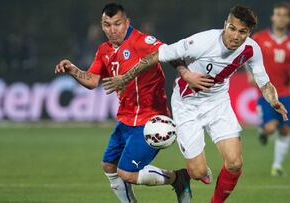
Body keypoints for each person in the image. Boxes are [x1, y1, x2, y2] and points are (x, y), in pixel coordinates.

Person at [102, 5, 288, 203]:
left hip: (218, 103)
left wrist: (273, 100)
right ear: (226, 24)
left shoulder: (252, 49)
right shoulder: (203, 42)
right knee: (197, 172)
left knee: (234, 163)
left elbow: (264, 81)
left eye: (242, 32)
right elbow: (159, 53)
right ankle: (187, 177)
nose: (235, 36)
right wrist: (125, 78)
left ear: (248, 33)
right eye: (232, 28)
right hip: (186, 105)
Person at [54, 3, 195, 203]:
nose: (112, 30)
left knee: (127, 173)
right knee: (109, 166)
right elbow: (92, 81)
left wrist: (186, 74)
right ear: (102, 26)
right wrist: (72, 69)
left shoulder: (141, 41)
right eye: (107, 25)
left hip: (151, 119)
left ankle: (178, 178)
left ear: (126, 22)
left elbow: (170, 53)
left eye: (117, 24)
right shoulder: (104, 50)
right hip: (126, 119)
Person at [250, 2, 290, 177]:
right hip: (266, 93)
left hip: (286, 92)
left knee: (284, 129)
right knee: (270, 128)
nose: (281, 18)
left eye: (285, 15)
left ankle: (277, 166)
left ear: (289, 19)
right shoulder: (260, 38)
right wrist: (249, 73)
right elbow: (247, 56)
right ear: (272, 17)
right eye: (278, 14)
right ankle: (263, 131)